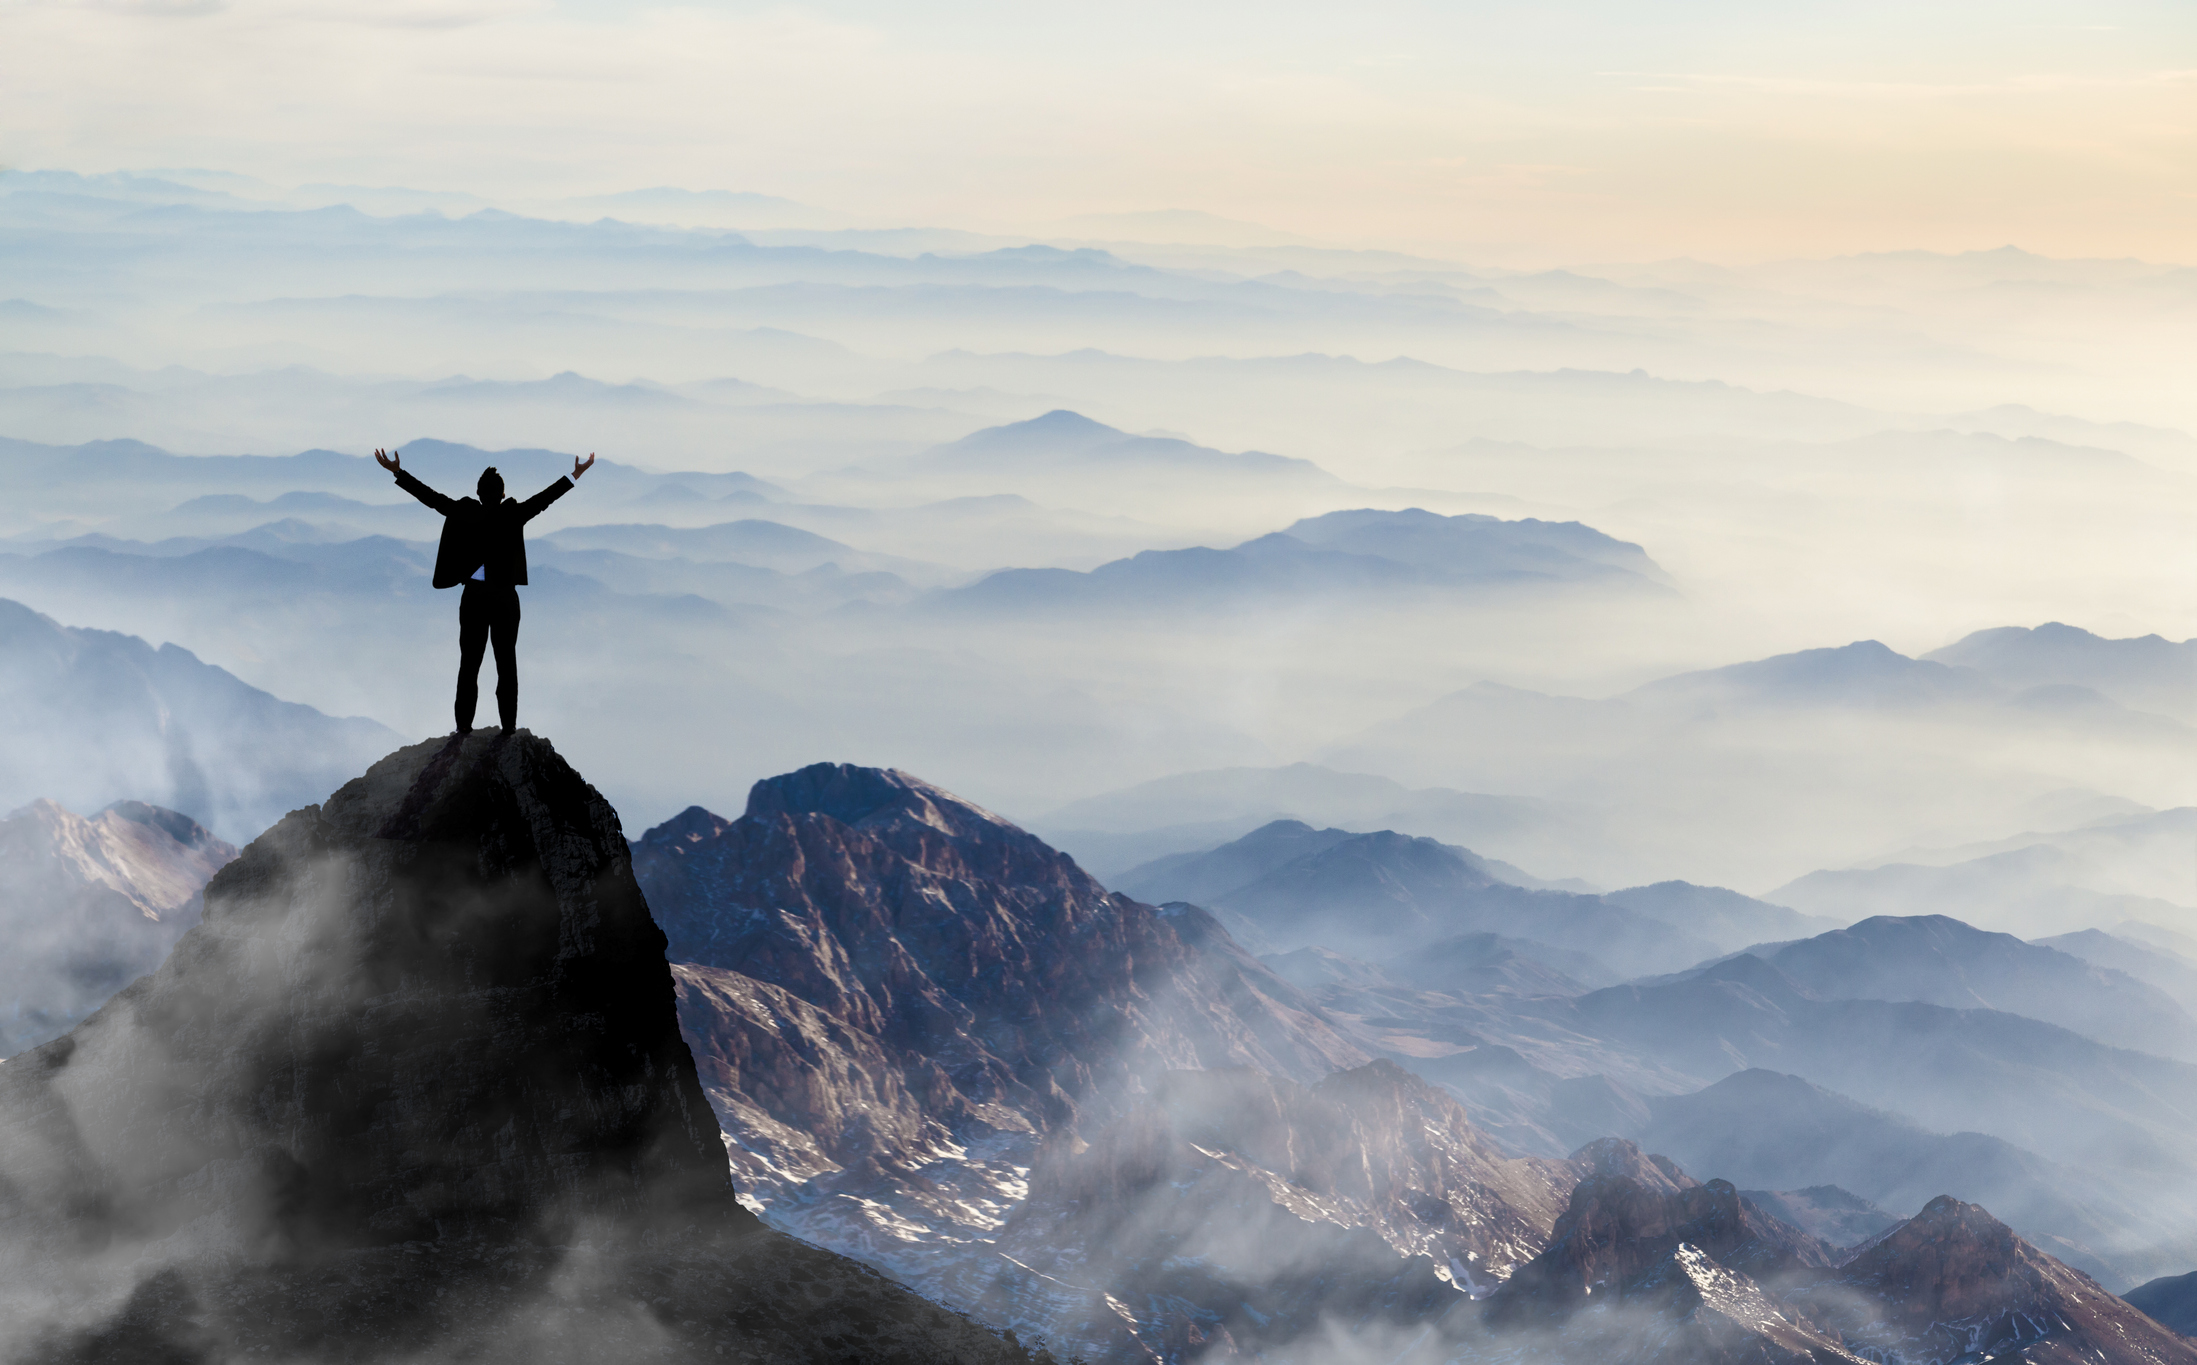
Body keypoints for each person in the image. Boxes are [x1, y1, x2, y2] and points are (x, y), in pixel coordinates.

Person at [374, 447, 596, 735]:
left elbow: (431, 499)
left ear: (478, 493)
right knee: (506, 664)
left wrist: (397, 472)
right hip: (505, 599)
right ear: (502, 494)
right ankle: (508, 729)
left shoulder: (466, 513)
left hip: (474, 599)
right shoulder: (512, 514)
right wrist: (575, 474)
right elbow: (545, 499)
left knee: (469, 665)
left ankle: (463, 729)